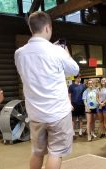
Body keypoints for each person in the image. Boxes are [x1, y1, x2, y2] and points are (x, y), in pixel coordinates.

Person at [14, 11, 79, 169]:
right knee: (55, 153)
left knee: (37, 152)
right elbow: (74, 70)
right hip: (57, 112)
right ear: (48, 28)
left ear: (31, 29)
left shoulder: (19, 53)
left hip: (35, 113)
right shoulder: (57, 51)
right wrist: (66, 53)